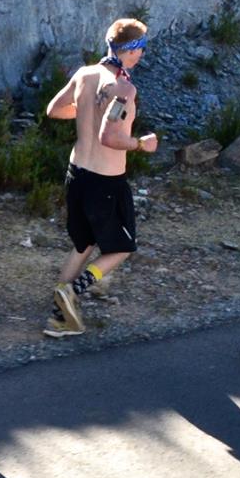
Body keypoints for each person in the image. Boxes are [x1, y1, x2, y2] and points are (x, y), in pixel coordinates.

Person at [40, 19, 160, 337]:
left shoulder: (84, 74)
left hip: (77, 174)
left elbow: (54, 109)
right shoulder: (123, 88)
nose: (142, 55)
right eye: (140, 48)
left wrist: (86, 111)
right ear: (129, 49)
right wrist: (141, 144)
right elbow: (110, 137)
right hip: (105, 181)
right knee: (122, 248)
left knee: (83, 244)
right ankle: (72, 292)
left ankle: (58, 318)